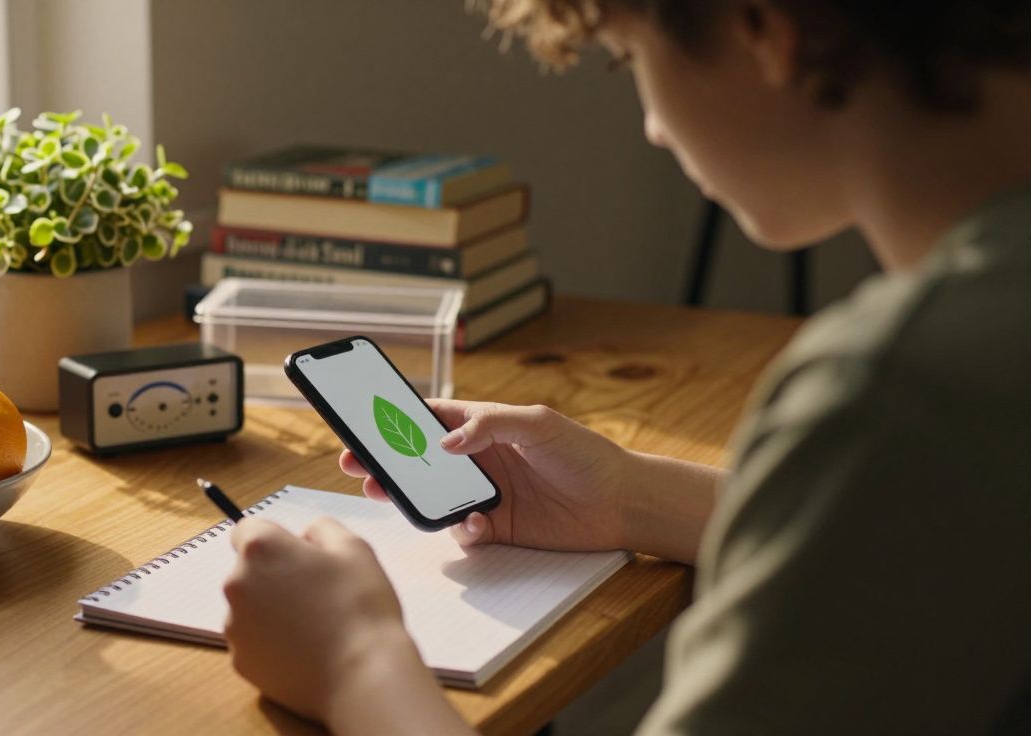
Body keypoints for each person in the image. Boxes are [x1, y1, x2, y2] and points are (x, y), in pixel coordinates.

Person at [220, 1, 1031, 733]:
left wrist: (354, 661)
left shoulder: (898, 388)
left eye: (628, 58)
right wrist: (627, 496)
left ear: (766, 33)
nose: (653, 127)